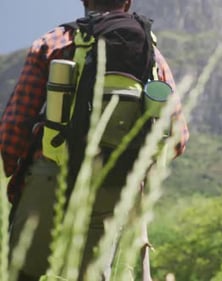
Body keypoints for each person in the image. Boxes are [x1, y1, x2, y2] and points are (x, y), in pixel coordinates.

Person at [0, 0, 189, 280]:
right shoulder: (152, 56)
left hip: (49, 177)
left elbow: (12, 129)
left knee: (24, 274)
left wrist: (15, 179)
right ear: (127, 3)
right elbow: (178, 138)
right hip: (110, 188)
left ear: (85, 1)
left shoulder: (54, 41)